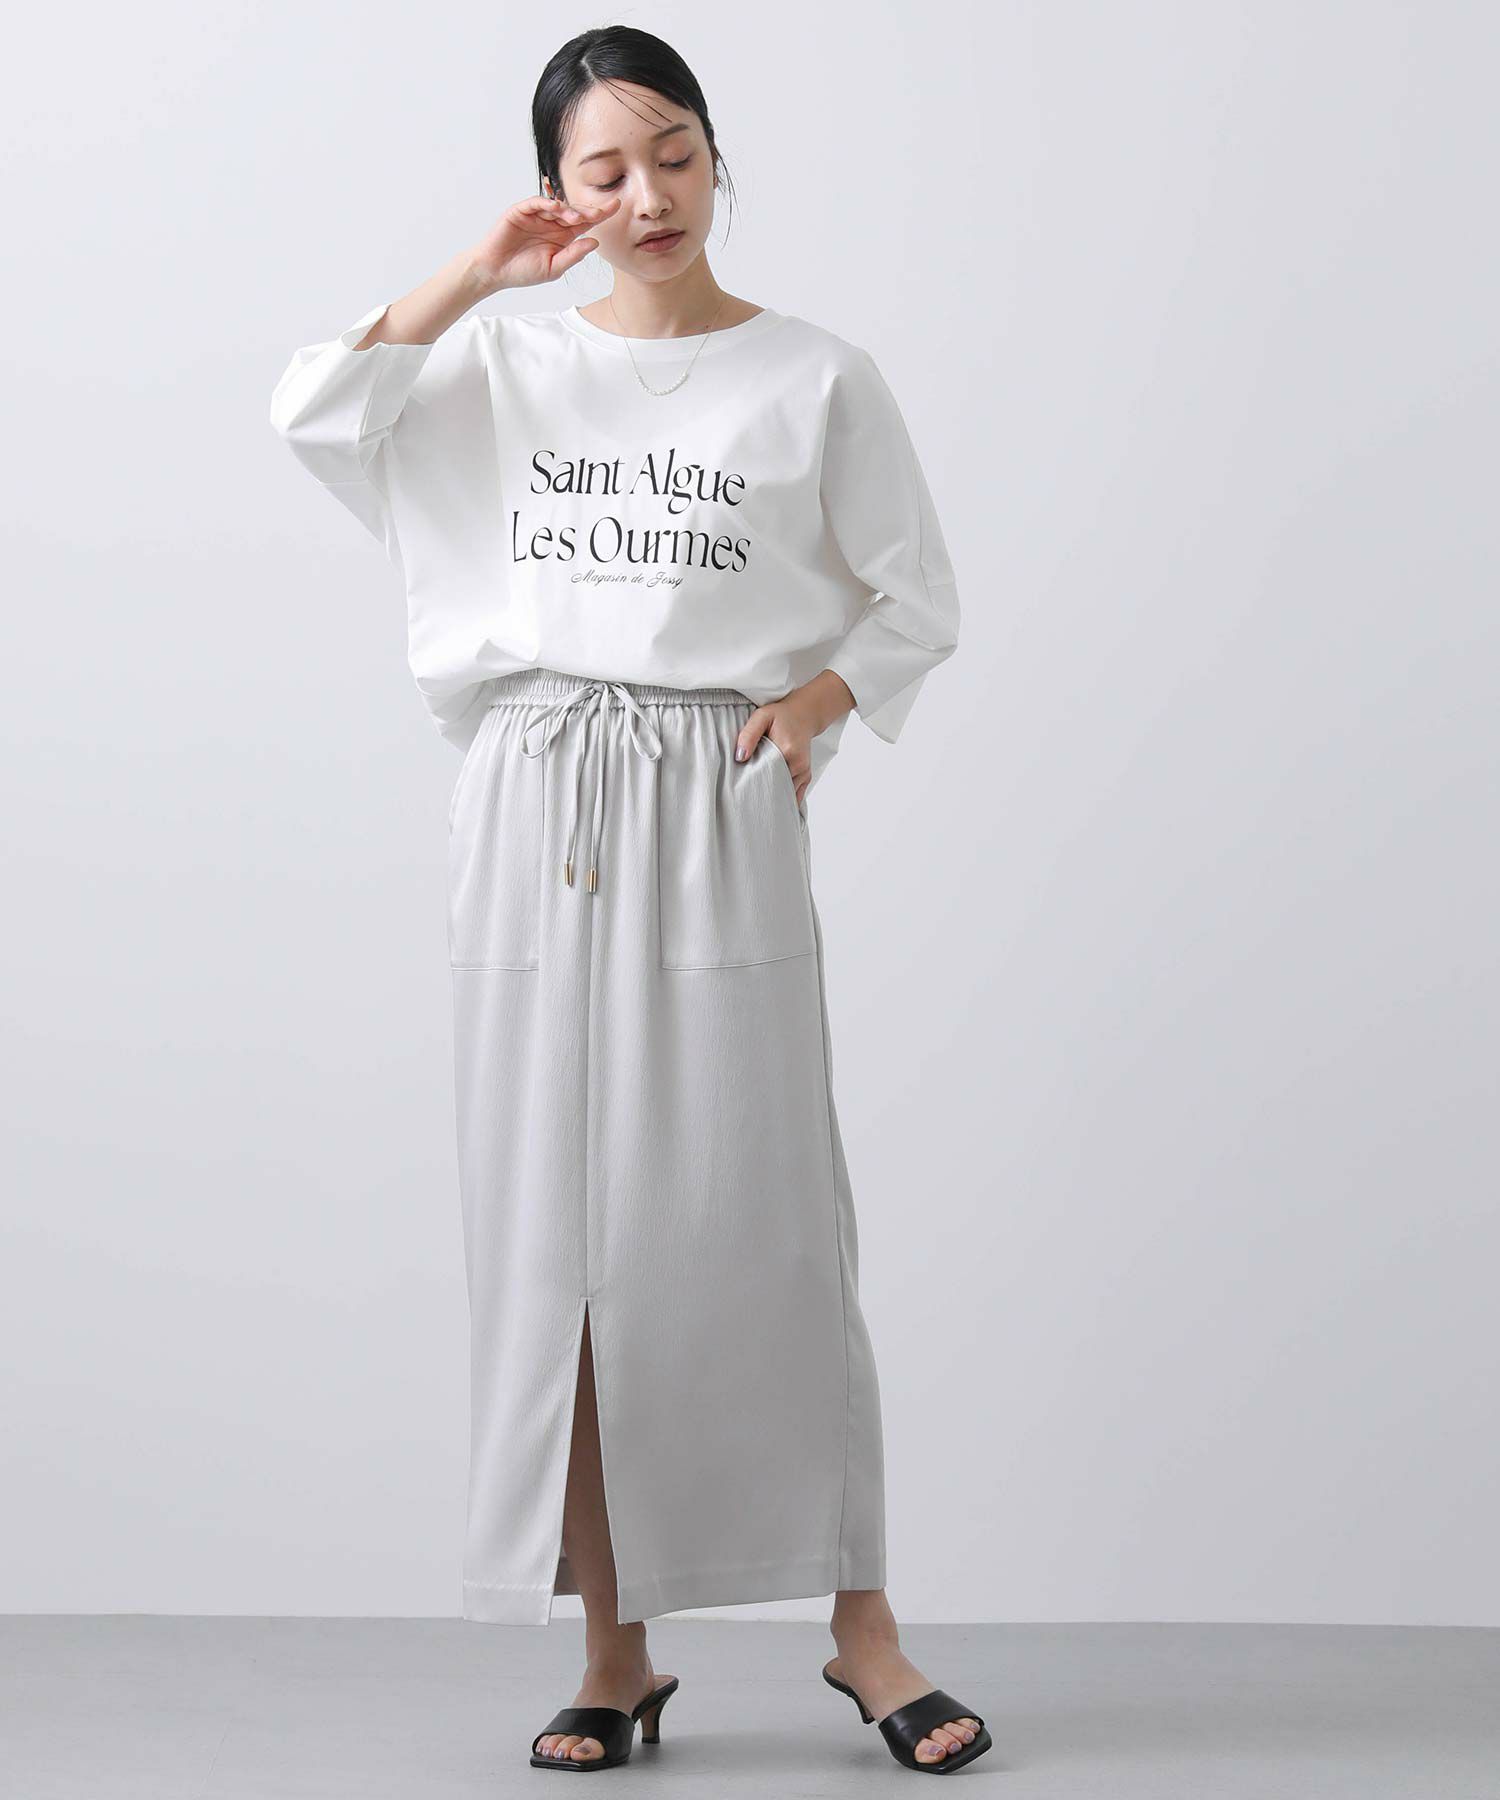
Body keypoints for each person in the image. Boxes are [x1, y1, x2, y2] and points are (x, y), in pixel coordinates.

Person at [268, 23, 986, 1778]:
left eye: (674, 153)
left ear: (718, 157)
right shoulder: (501, 366)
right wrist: (479, 274)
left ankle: (864, 1632)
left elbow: (914, 594)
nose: (648, 194)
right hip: (534, 799)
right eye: (605, 169)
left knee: (771, 1223)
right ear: (557, 190)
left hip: (710, 798)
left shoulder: (815, 376)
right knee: (564, 1241)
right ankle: (615, 1650)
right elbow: (315, 412)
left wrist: (812, 708)